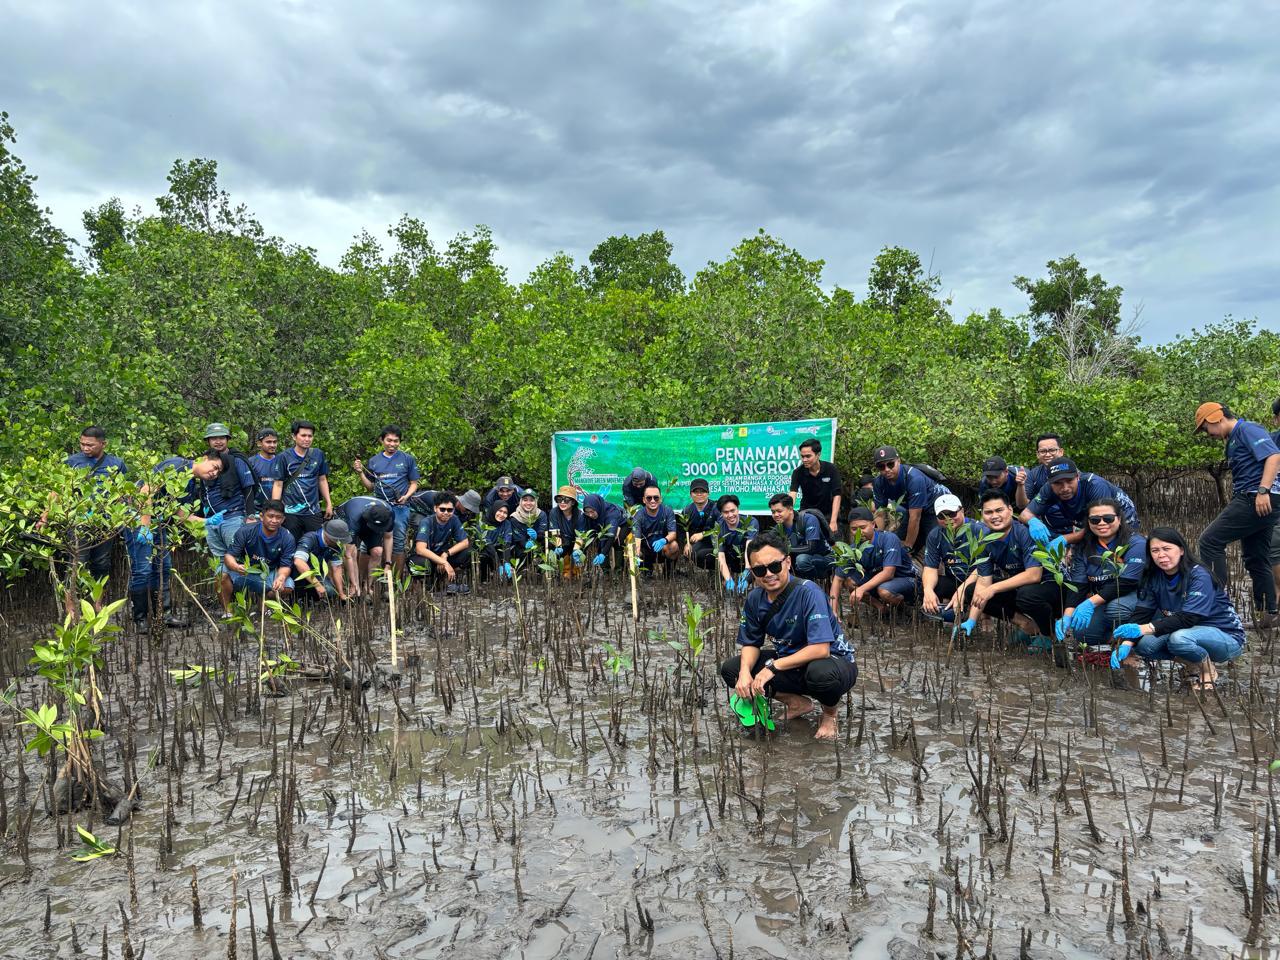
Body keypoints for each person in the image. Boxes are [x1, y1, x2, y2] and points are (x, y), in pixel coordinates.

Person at [719, 530, 857, 741]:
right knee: (732, 669)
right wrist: (745, 672)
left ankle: (830, 715)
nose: (768, 574)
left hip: (833, 663)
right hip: (791, 663)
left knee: (820, 673)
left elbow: (821, 649)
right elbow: (751, 642)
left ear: (788, 562)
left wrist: (772, 667)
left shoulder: (808, 592)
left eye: (774, 566)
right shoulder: (755, 599)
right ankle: (797, 702)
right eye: (759, 569)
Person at [1112, 526, 1246, 690]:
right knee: (1144, 645)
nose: (1161, 555)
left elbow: (1189, 618)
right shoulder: (1153, 577)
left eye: (1167, 549)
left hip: (1225, 636)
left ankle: (1207, 670)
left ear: (1181, 550)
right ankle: (1193, 663)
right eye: (1155, 551)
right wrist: (1127, 643)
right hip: (1187, 630)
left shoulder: (1199, 575)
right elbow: (1142, 612)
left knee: (1179, 639)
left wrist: (1143, 628)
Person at [1194, 402, 1280, 629]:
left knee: (1209, 541)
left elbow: (1273, 457)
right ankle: (1269, 614)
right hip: (1261, 499)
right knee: (1255, 556)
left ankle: (1215, 605)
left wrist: (1263, 491)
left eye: (1205, 429)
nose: (1207, 435)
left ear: (1216, 418)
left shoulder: (1247, 429)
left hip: (1256, 497)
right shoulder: (1234, 438)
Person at [129, 453, 222, 628]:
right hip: (140, 521)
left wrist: (206, 521)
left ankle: (164, 616)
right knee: (142, 570)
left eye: (218, 472)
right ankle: (140, 620)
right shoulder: (177, 465)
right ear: (204, 458)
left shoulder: (190, 482)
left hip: (159, 524)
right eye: (214, 467)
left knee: (162, 569)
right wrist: (145, 526)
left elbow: (178, 514)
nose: (214, 473)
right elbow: (146, 492)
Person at [45, 425, 130, 614]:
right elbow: (57, 491)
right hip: (78, 522)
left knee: (102, 563)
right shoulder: (72, 462)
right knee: (76, 563)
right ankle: (71, 607)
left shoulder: (116, 463)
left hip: (106, 523)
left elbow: (125, 493)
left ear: (103, 444)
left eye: (90, 445)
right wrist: (45, 515)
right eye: (82, 444)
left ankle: (97, 604)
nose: (85, 448)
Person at [1052, 497, 1147, 647]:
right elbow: (1078, 584)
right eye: (1095, 520)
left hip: (1137, 597)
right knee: (1082, 632)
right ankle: (1114, 637)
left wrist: (1089, 603)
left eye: (1108, 518)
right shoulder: (1083, 547)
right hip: (1104, 599)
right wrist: (1067, 615)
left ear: (1120, 519)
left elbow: (1128, 581)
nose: (1102, 523)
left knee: (1116, 609)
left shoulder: (1136, 543)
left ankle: (1133, 639)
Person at [955, 490, 1047, 640]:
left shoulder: (1024, 533)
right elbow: (984, 582)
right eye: (988, 512)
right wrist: (971, 620)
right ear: (982, 515)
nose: (995, 516)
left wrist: (993, 588)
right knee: (973, 591)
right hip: (1021, 591)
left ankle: (1049, 634)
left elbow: (1034, 575)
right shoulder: (985, 540)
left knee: (1026, 593)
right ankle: (1027, 625)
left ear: (1010, 510)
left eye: (999, 510)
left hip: (1048, 590)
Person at [198, 422, 257, 616]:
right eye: (214, 438)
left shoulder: (237, 460)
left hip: (234, 517)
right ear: (208, 441)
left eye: (222, 437)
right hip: (211, 522)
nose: (218, 441)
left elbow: (249, 488)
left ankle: (247, 606)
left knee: (238, 563)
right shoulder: (203, 461)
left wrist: (249, 516)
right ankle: (228, 610)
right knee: (220, 568)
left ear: (228, 439)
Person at [1020, 457, 1138, 545]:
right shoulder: (1048, 488)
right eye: (1058, 483)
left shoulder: (1095, 485)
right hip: (1086, 521)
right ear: (1050, 483)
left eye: (1069, 481)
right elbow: (1025, 514)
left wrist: (1066, 539)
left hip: (1119, 518)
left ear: (1077, 477)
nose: (1065, 488)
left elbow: (1100, 524)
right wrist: (1033, 521)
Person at [353, 425, 421, 572]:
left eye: (396, 441)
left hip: (400, 507)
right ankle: (364, 585)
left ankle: (395, 585)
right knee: (367, 544)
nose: (392, 444)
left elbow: (414, 483)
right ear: (381, 440)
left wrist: (406, 496)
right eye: (389, 440)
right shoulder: (374, 461)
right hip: (378, 508)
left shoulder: (407, 459)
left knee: (398, 543)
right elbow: (370, 487)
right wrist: (360, 473)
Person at [829, 506, 915, 617]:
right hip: (879, 582)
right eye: (854, 529)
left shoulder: (889, 538)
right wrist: (832, 613)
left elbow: (888, 573)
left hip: (905, 579)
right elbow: (837, 579)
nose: (859, 532)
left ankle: (904, 609)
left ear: (873, 524)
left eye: (863, 527)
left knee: (884, 591)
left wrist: (861, 589)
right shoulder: (853, 549)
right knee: (849, 582)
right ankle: (882, 609)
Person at [871, 445, 951, 555]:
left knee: (933, 547)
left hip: (936, 506)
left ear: (899, 461)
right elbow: (880, 513)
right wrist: (877, 540)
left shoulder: (914, 478)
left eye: (890, 464)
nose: (887, 469)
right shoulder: (878, 482)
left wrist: (908, 546)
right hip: (912, 508)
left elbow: (915, 517)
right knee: (896, 543)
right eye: (881, 467)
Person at [921, 494, 984, 623]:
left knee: (976, 589)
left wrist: (962, 589)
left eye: (952, 514)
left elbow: (984, 568)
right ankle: (941, 616)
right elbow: (930, 568)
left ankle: (984, 616)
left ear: (962, 510)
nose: (948, 519)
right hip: (954, 580)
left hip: (979, 580)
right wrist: (927, 590)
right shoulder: (935, 535)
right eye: (942, 516)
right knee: (931, 587)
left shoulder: (979, 530)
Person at [222, 500, 296, 604]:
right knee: (222, 574)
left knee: (288, 586)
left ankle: (264, 601)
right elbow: (229, 555)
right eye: (270, 516)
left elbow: (285, 565)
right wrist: (236, 566)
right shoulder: (246, 531)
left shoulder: (288, 538)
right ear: (261, 516)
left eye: (278, 517)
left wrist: (281, 578)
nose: (274, 520)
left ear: (283, 519)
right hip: (246, 569)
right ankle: (227, 611)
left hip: (269, 572)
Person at [271, 420, 334, 541]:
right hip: (290, 512)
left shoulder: (318, 454)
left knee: (316, 544)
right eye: (303, 435)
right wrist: (275, 510)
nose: (307, 439)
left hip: (312, 510)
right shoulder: (284, 457)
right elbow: (278, 484)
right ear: (294, 436)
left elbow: (322, 479)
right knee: (290, 544)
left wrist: (329, 503)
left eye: (310, 436)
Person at [413, 491, 471, 590]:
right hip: (427, 556)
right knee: (419, 564)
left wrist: (446, 554)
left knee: (469, 552)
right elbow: (420, 549)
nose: (446, 513)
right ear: (435, 508)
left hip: (442, 553)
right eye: (442, 509)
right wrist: (443, 562)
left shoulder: (454, 519)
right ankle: (424, 585)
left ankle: (446, 580)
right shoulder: (426, 522)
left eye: (450, 510)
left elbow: (465, 542)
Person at [768, 493, 831, 580]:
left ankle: (813, 585)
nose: (775, 515)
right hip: (802, 560)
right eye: (773, 512)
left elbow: (811, 547)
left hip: (824, 557)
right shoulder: (778, 528)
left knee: (801, 560)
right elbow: (766, 542)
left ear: (790, 509)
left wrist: (785, 549)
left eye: (779, 511)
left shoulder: (808, 519)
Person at [339, 496, 394, 596]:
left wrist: (388, 563)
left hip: (370, 519)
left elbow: (388, 537)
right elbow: (348, 555)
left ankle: (367, 586)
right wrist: (354, 584)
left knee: (377, 552)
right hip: (348, 517)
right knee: (353, 552)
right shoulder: (354, 518)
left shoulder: (389, 513)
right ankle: (355, 585)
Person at [789, 438, 842, 537]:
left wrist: (833, 521)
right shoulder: (798, 472)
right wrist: (788, 511)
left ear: (818, 455)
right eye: (802, 456)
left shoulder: (831, 469)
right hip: (807, 513)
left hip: (828, 514)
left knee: (834, 545)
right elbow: (792, 493)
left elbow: (837, 495)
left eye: (808, 456)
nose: (804, 460)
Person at [293, 518, 352, 601]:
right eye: (337, 540)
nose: (340, 543)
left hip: (317, 573)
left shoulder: (337, 545)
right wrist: (317, 585)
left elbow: (337, 568)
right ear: (328, 536)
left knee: (330, 592)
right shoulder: (310, 538)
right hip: (297, 573)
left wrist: (341, 593)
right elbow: (298, 562)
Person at [716, 495, 760, 591]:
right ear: (721, 513)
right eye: (726, 512)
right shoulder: (718, 527)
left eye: (733, 510)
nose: (730, 515)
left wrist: (747, 571)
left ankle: (753, 579)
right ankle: (727, 579)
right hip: (731, 559)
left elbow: (750, 545)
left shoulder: (750, 522)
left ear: (738, 509)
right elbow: (721, 556)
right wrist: (728, 579)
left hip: (747, 559)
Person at [633, 484, 679, 573]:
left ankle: (668, 573)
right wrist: (636, 555)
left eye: (656, 498)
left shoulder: (667, 511)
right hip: (645, 551)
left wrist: (664, 540)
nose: (653, 501)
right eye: (649, 498)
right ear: (644, 500)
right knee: (632, 550)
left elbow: (673, 534)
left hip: (662, 549)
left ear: (660, 499)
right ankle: (645, 571)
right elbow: (637, 538)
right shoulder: (639, 515)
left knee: (674, 546)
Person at [680, 479, 721, 570]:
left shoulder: (716, 507)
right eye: (696, 491)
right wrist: (687, 543)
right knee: (692, 552)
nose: (699, 494)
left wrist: (703, 534)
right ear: (691, 494)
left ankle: (718, 571)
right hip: (700, 543)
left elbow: (722, 527)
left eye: (703, 491)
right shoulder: (687, 510)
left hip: (716, 542)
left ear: (708, 493)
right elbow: (683, 531)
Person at [582, 493, 627, 568]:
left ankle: (619, 570)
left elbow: (611, 536)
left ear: (597, 508)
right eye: (587, 512)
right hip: (604, 526)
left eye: (592, 512)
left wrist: (603, 554)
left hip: (623, 524)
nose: (590, 515)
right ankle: (606, 572)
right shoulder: (587, 516)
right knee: (600, 541)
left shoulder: (611, 513)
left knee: (618, 541)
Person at [1021, 434, 1065, 508]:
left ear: (1061, 452)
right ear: (1037, 454)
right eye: (1043, 451)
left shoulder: (1070, 470)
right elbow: (1022, 505)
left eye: (1052, 450)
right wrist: (1020, 485)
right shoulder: (1033, 474)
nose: (1047, 454)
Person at [509, 489, 549, 565]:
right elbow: (518, 539)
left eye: (531, 500)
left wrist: (537, 536)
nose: (528, 503)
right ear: (520, 501)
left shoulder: (541, 514)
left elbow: (543, 533)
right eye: (525, 500)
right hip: (522, 548)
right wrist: (525, 544)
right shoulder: (515, 518)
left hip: (539, 544)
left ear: (536, 502)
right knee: (522, 554)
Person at [478, 503, 518, 581]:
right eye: (500, 511)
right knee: (484, 556)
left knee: (507, 577)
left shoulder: (507, 523)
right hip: (486, 550)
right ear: (494, 510)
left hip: (498, 550)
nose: (502, 514)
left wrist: (506, 562)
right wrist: (499, 564)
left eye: (505, 513)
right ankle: (484, 579)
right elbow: (488, 544)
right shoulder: (482, 522)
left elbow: (506, 543)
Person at [249, 429, 279, 511]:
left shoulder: (282, 461)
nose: (272, 445)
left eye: (275, 442)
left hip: (277, 509)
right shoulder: (251, 462)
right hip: (256, 509)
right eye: (268, 442)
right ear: (259, 443)